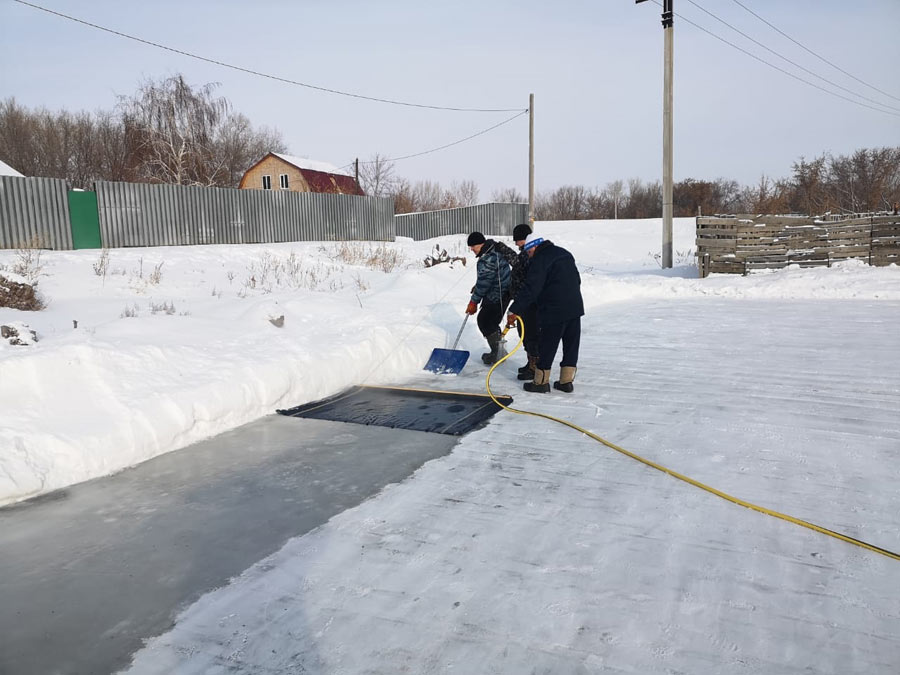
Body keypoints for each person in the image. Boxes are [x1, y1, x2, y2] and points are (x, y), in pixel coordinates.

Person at [507, 232, 584, 393]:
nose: (529, 255)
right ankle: (566, 382)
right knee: (571, 345)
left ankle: (540, 382)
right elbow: (577, 279)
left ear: (534, 247)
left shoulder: (540, 259)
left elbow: (531, 288)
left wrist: (515, 309)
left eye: (529, 252)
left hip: (554, 309)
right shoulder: (564, 253)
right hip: (574, 307)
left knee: (547, 345)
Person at [497, 223, 540, 381]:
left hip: (529, 303)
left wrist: (502, 249)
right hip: (523, 302)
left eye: (518, 240)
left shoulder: (528, 255)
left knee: (531, 335)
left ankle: (535, 367)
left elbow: (516, 263)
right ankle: (530, 363)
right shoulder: (525, 254)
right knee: (524, 333)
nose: (516, 243)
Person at [466, 231, 512, 364]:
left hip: (497, 295)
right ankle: (499, 352)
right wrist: (478, 286)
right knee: (491, 322)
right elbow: (488, 277)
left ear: (480, 244)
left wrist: (473, 302)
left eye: (472, 246)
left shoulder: (487, 258)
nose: (471, 249)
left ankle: (497, 353)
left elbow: (484, 283)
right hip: (502, 293)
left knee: (484, 321)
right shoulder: (493, 252)